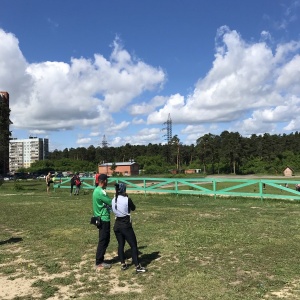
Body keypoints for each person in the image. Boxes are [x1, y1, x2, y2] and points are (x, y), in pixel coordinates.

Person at [112, 183, 146, 273]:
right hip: (125, 224)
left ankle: (123, 264)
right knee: (133, 245)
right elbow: (133, 208)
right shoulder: (127, 199)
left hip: (117, 224)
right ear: (124, 190)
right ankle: (137, 266)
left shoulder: (113, 200)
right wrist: (127, 197)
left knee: (121, 245)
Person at [92, 174, 112, 270]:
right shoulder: (101, 192)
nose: (107, 182)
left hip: (99, 218)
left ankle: (100, 259)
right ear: (103, 181)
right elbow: (111, 202)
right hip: (104, 219)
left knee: (104, 239)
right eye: (106, 180)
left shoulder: (96, 190)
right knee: (103, 240)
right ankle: (99, 261)